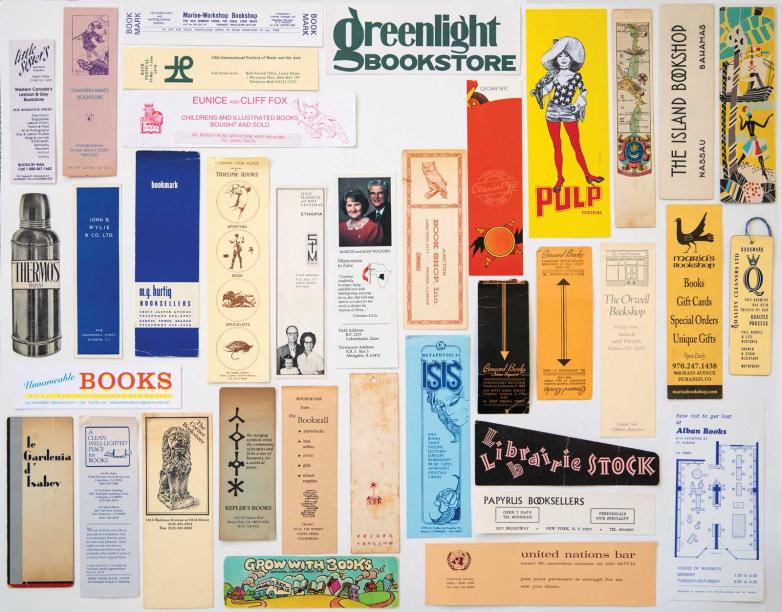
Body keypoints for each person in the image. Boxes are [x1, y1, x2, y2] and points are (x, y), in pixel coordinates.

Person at [531, 36, 604, 192]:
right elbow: (546, 90)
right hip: (552, 111)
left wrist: (578, 104)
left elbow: (583, 91)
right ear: (556, 60)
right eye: (560, 56)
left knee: (576, 145)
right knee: (557, 146)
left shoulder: (576, 76)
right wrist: (538, 92)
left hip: (569, 111)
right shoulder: (554, 76)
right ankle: (559, 178)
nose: (563, 59)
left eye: (566, 56)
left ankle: (587, 174)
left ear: (572, 59)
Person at [736, 107, 773, 180]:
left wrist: (741, 120)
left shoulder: (747, 122)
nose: (750, 114)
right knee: (758, 157)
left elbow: (741, 128)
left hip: (752, 140)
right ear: (750, 115)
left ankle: (763, 171)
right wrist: (768, 117)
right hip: (754, 140)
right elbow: (763, 126)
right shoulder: (752, 122)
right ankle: (763, 171)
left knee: (744, 155)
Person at [366, 179, 391, 246]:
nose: (376, 197)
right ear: (369, 195)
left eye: (380, 193)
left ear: (387, 194)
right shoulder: (369, 217)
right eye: (372, 193)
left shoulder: (394, 213)